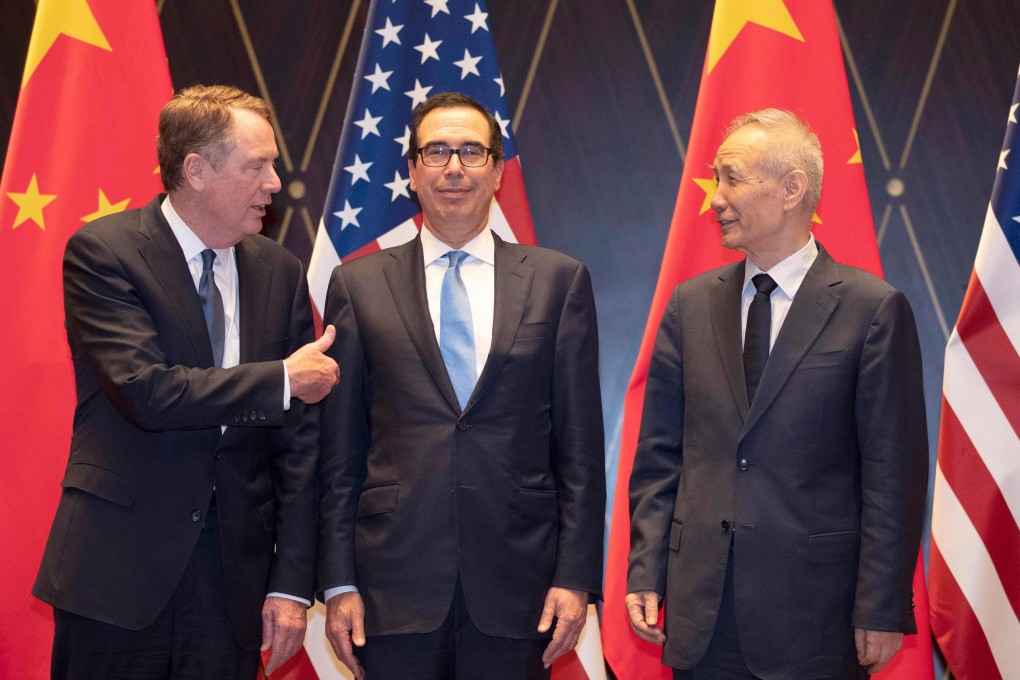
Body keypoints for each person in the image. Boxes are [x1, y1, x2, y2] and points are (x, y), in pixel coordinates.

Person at [33, 85, 340, 679]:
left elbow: (299, 452)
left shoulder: (279, 271)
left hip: (231, 588)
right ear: (196, 170)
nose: (275, 183)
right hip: (117, 574)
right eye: (258, 165)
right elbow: (146, 390)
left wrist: (292, 585)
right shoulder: (106, 252)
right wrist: (280, 379)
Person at [626, 109, 928, 679]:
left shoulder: (872, 309)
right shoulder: (690, 305)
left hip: (816, 618)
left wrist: (882, 606)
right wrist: (646, 570)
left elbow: (894, 474)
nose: (716, 197)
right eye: (716, 178)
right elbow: (660, 459)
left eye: (732, 178)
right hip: (701, 616)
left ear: (792, 188)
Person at [317, 92, 605, 680]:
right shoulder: (356, 285)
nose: (454, 168)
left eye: (472, 152)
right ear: (412, 172)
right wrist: (339, 579)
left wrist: (575, 578)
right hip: (389, 591)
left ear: (498, 171)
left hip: (519, 587)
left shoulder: (558, 281)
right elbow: (339, 452)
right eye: (437, 152)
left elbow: (579, 452)